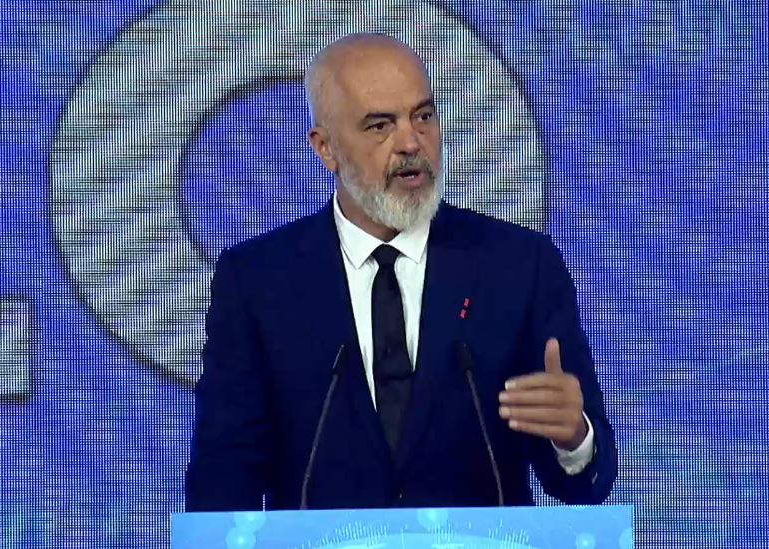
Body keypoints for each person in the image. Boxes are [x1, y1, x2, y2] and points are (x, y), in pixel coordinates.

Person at [185, 33, 617, 511]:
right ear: (326, 148)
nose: (411, 142)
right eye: (380, 126)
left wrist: (574, 438)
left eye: (423, 116)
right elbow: (224, 475)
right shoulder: (259, 281)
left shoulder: (518, 266)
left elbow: (585, 484)